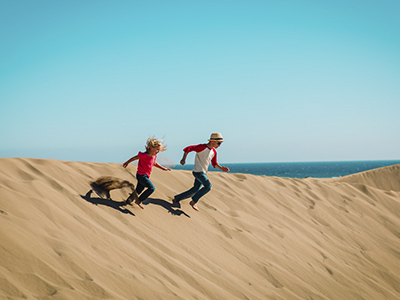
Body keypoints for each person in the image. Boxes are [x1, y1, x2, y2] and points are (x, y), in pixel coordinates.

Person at [173, 132, 229, 211]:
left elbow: (214, 163)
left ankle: (177, 198)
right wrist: (183, 159)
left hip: (203, 172)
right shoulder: (202, 147)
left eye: (220, 143)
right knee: (208, 186)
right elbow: (188, 148)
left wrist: (221, 168)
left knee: (195, 190)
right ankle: (194, 201)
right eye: (219, 143)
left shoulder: (214, 152)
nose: (219, 145)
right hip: (198, 172)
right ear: (212, 141)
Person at [123, 137, 171, 209]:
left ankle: (128, 201)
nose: (158, 151)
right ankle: (139, 200)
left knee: (139, 190)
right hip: (141, 175)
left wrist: (163, 168)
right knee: (151, 188)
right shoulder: (143, 155)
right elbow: (134, 158)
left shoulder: (154, 156)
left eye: (159, 149)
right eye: (157, 149)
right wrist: (127, 162)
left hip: (146, 176)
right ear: (151, 148)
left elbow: (154, 163)